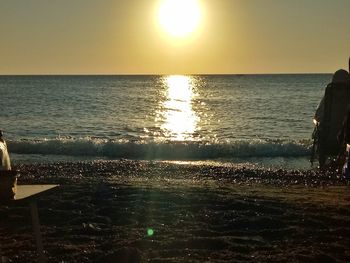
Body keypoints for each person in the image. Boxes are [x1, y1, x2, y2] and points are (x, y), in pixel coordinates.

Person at [312, 64, 350, 168]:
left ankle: (322, 165)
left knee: (319, 130)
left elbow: (317, 117)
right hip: (344, 143)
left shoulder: (328, 97)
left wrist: (318, 125)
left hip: (327, 141)